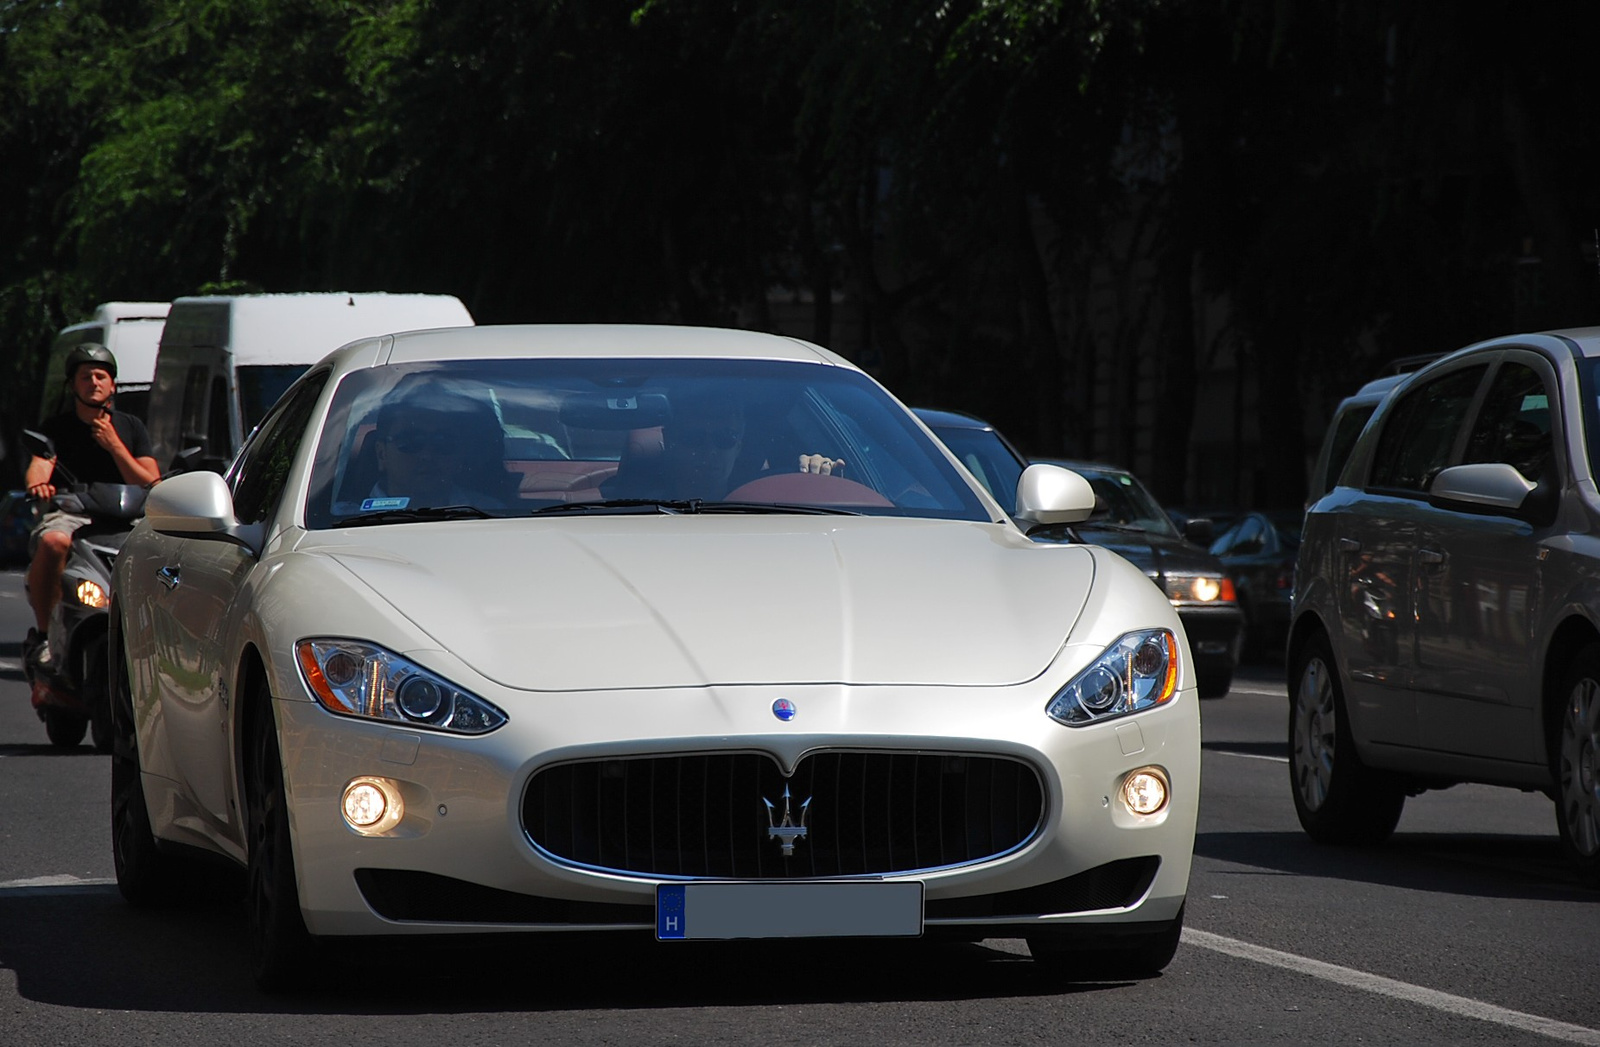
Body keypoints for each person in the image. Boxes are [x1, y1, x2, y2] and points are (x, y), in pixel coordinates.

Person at [23, 343, 159, 672]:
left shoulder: (131, 427)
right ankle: (44, 636)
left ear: (113, 385)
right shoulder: (55, 428)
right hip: (72, 514)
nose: (94, 382)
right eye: (85, 377)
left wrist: (115, 446)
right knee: (53, 541)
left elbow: (151, 481)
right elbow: (39, 467)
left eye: (101, 376)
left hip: (125, 517)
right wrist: (38, 485)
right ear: (73, 385)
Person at [362, 377, 515, 510]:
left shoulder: (493, 514)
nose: (427, 455)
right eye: (410, 442)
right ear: (381, 453)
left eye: (443, 442)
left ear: (460, 454)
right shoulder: (343, 515)